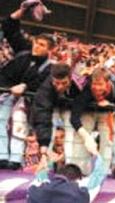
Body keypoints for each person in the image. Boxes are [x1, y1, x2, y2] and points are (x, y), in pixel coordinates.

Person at [0, 3, 54, 170]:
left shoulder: (49, 67)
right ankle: (1, 156)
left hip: (25, 100)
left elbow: (42, 84)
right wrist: (23, 10)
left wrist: (24, 86)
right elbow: (9, 26)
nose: (37, 47)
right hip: (4, 92)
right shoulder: (23, 50)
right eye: (36, 43)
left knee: (19, 123)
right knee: (0, 121)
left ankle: (15, 159)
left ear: (50, 50)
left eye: (42, 45)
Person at [70, 67, 115, 175]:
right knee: (81, 138)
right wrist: (86, 136)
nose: (96, 88)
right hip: (87, 111)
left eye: (100, 84)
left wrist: (111, 105)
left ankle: (102, 171)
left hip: (106, 113)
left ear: (108, 83)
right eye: (94, 84)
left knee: (107, 140)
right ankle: (78, 170)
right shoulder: (86, 91)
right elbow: (74, 117)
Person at [31, 63, 80, 167]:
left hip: (71, 107)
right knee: (49, 129)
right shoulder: (45, 89)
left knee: (71, 130)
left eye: (64, 83)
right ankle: (45, 165)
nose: (59, 87)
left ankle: (71, 166)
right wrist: (43, 144)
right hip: (52, 106)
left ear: (70, 79)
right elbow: (43, 115)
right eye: (56, 83)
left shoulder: (80, 83)